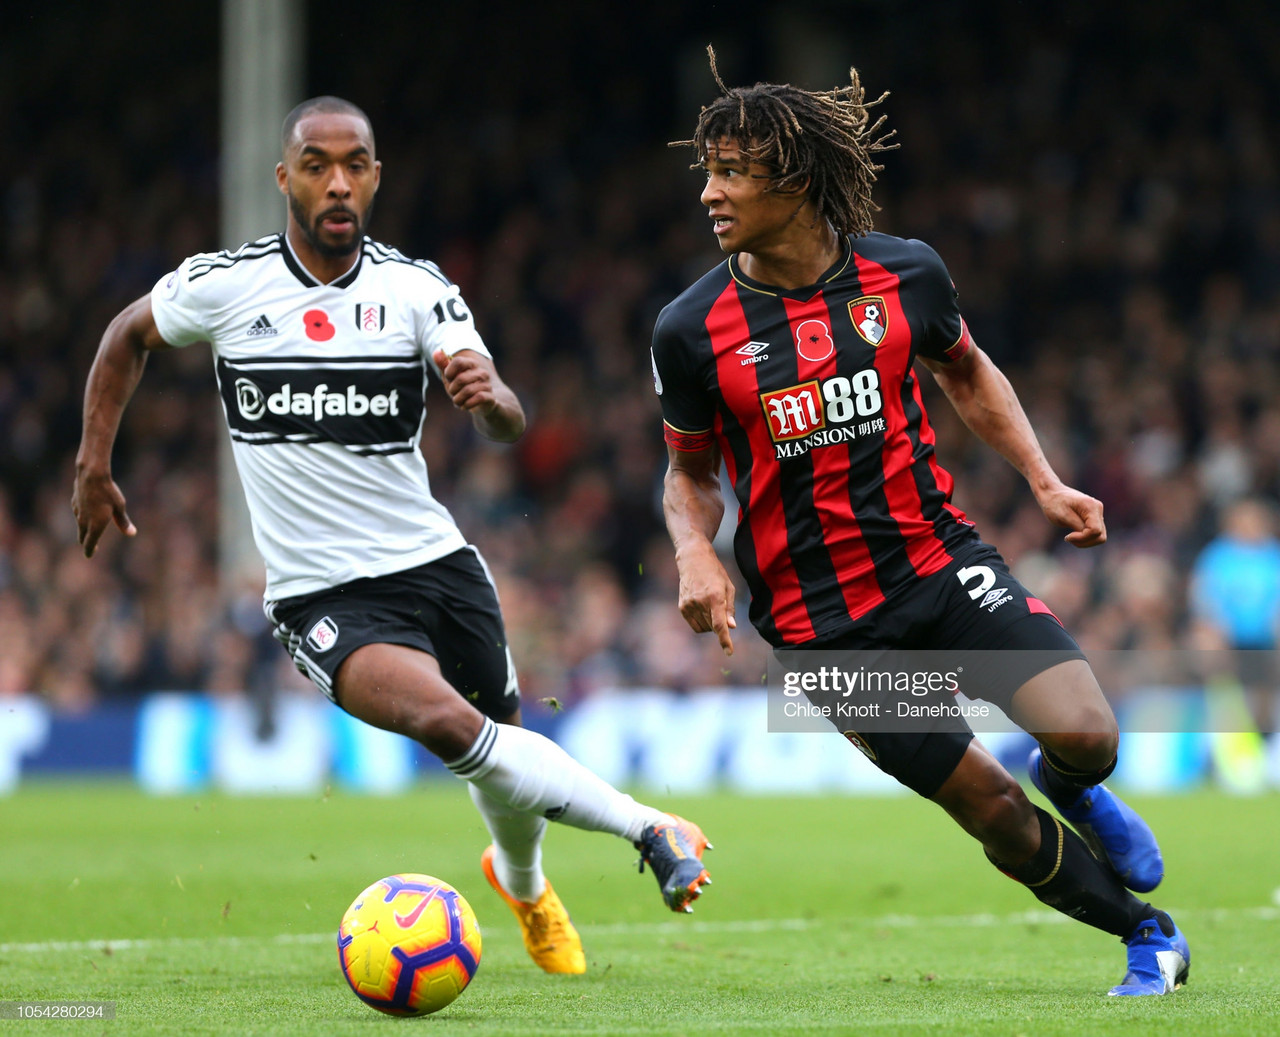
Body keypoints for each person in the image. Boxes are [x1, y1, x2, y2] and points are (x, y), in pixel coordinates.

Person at [72, 95, 710, 976]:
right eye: (318, 163)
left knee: (499, 741)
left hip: (438, 566)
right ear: (285, 176)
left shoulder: (416, 289)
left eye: (356, 164)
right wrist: (92, 464)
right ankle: (648, 825)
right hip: (320, 594)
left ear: (376, 175)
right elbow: (124, 336)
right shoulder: (226, 284)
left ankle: (521, 884)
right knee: (450, 724)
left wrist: (495, 402)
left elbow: (509, 421)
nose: (338, 182)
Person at [652, 52, 1186, 996]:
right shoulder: (691, 329)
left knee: (1089, 734)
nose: (710, 192)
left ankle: (1073, 783)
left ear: (797, 178)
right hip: (827, 631)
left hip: (939, 566)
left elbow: (967, 372)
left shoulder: (907, 274)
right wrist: (696, 549)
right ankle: (1149, 935)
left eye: (732, 171)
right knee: (987, 803)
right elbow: (688, 469)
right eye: (709, 169)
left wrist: (1044, 480)